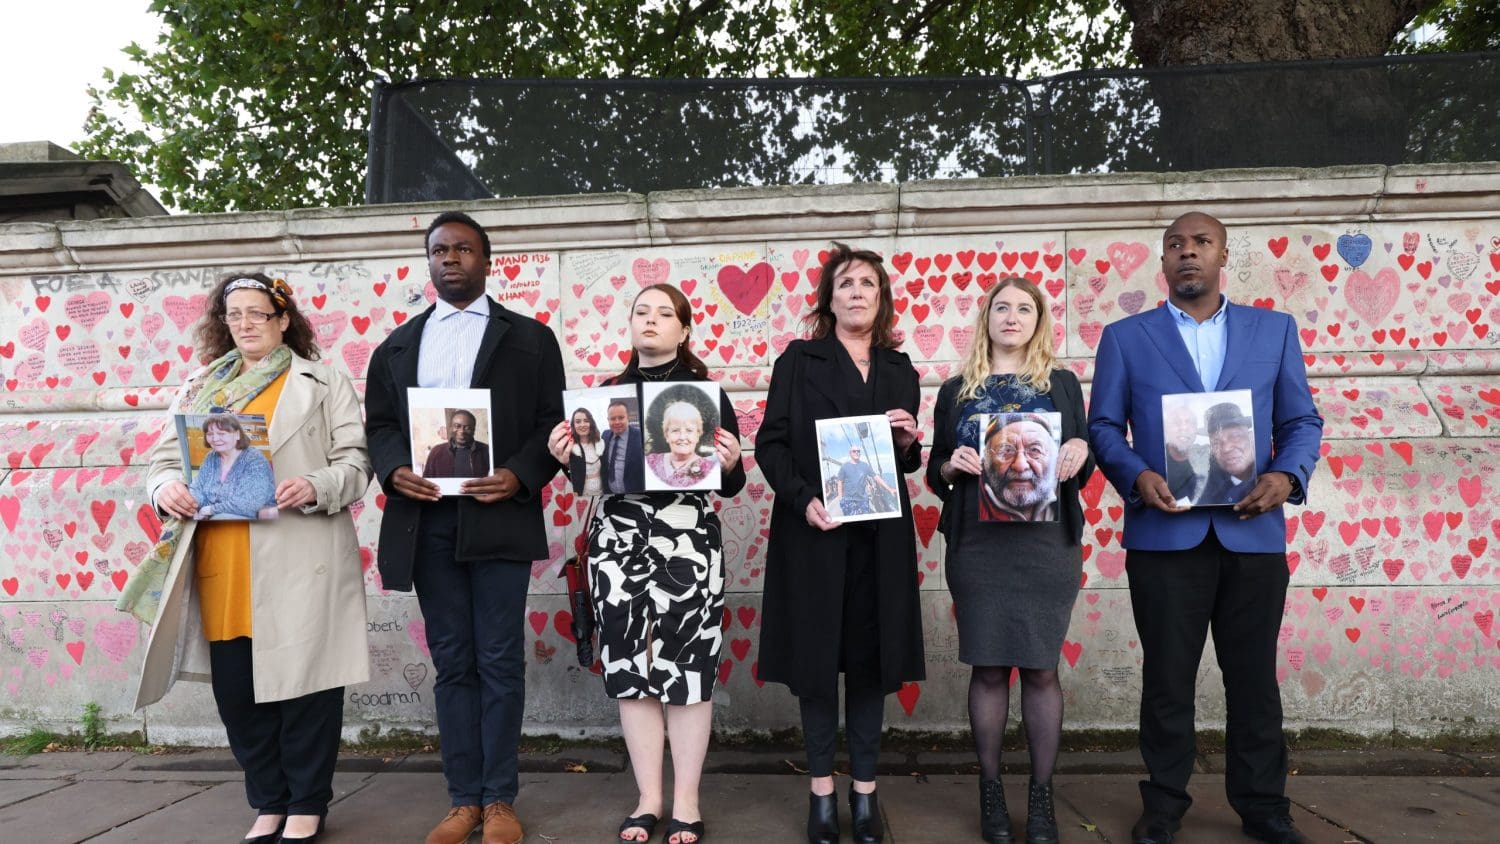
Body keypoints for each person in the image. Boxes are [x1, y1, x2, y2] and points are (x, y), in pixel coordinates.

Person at [1087, 212, 1323, 844]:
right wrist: (1136, 477)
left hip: (1253, 535)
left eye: (1200, 243)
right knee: (1167, 679)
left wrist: (1287, 478)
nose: (1186, 253)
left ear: (1224, 255)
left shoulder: (1273, 331)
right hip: (1165, 537)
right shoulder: (1125, 338)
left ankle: (1264, 805)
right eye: (1174, 246)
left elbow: (1302, 421)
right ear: (1162, 263)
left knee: (1254, 680)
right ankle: (1163, 804)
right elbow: (1103, 428)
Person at [119, 273, 372, 844]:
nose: (246, 324)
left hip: (299, 555)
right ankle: (269, 800)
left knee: (307, 689)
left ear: (284, 320)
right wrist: (165, 491)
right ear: (222, 322)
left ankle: (307, 803)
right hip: (222, 560)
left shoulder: (324, 381)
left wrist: (314, 484)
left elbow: (356, 465)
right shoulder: (198, 388)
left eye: (258, 313)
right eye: (234, 315)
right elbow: (161, 464)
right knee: (237, 694)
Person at [365, 211, 565, 844]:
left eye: (462, 249)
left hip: (497, 517)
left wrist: (520, 475)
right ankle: (463, 800)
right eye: (439, 250)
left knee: (500, 660)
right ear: (428, 263)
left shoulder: (530, 339)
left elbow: (551, 425)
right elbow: (379, 427)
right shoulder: (396, 345)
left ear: (487, 260)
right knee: (454, 663)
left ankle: (501, 799)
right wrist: (396, 469)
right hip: (427, 524)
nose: (450, 258)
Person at [547, 283, 744, 844]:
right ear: (629, 325)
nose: (651, 321)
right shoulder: (604, 395)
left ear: (684, 329)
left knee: (687, 669)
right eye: (642, 312)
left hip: (689, 542)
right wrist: (569, 459)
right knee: (632, 669)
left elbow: (728, 485)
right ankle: (648, 798)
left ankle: (686, 801)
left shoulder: (707, 393)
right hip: (619, 543)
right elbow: (592, 483)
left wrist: (730, 463)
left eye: (665, 314)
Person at [757, 242, 924, 844]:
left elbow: (904, 464)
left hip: (880, 539)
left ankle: (866, 796)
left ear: (882, 301)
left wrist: (908, 443)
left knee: (872, 665)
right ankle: (822, 793)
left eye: (868, 285)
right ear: (829, 298)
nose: (856, 292)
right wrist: (804, 499)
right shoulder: (798, 361)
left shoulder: (902, 369)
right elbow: (771, 446)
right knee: (819, 665)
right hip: (815, 537)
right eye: (846, 283)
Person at [927, 277, 1094, 844]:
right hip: (978, 542)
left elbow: (1083, 456)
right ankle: (991, 789)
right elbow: (935, 471)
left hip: (1047, 544)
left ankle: (1042, 797)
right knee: (990, 666)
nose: (1013, 316)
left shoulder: (1063, 384)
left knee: (1042, 667)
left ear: (1039, 319)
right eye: (1002, 307)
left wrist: (1080, 449)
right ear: (987, 318)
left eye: (1025, 308)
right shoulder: (956, 390)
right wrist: (953, 467)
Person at [190, 412, 278, 520]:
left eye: (221, 433)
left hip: (253, 517)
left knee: (220, 518)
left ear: (237, 434)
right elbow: (196, 487)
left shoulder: (254, 459)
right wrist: (193, 507)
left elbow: (248, 504)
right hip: (211, 515)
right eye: (210, 434)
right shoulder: (211, 457)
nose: (215, 439)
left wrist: (209, 510)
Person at [979, 413, 1062, 523]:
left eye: (1034, 450)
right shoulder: (972, 498)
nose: (1020, 466)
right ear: (986, 460)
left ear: (1053, 457)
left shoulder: (1065, 492)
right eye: (1006, 451)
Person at [643, 386, 721, 488]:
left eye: (689, 430)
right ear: (667, 435)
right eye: (675, 430)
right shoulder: (650, 462)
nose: (682, 437)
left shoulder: (709, 468)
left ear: (698, 434)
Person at [1196, 403, 1256, 505]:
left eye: (1235, 436)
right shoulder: (1202, 491)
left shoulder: (1271, 473)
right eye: (1215, 442)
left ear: (1251, 437)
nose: (1226, 448)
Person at [827, 444, 898, 518]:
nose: (856, 452)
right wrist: (841, 499)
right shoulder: (844, 467)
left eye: (858, 451)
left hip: (863, 500)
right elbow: (840, 483)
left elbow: (876, 477)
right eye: (854, 451)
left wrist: (889, 489)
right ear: (850, 453)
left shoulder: (865, 466)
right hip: (848, 500)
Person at [423, 409, 492, 478]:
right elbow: (427, 482)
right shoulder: (436, 451)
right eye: (457, 426)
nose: (462, 431)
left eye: (467, 428)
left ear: (473, 430)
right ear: (450, 428)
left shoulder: (487, 451)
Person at [1163, 403, 1205, 505]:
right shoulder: (1155, 462)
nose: (1184, 427)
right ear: (1167, 429)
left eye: (1190, 423)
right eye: (1176, 422)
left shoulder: (1207, 461)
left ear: (1196, 430)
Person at [601, 399, 645, 493]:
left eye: (621, 417)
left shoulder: (641, 437)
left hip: (634, 495)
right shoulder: (605, 436)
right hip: (610, 493)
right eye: (612, 418)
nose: (617, 422)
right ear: (608, 420)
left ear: (628, 418)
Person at [566, 407, 606, 495]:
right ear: (573, 425)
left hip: (602, 492)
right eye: (578, 421)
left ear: (591, 423)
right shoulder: (570, 448)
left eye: (586, 420)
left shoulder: (600, 444)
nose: (582, 424)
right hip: (583, 494)